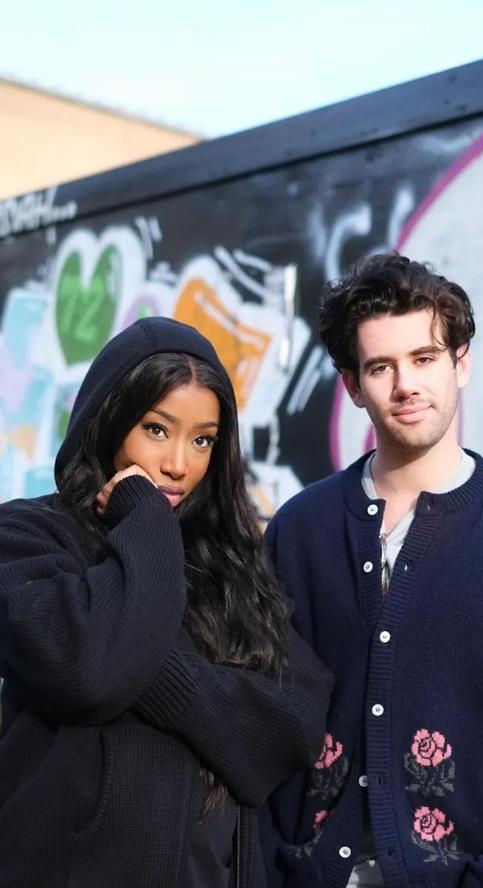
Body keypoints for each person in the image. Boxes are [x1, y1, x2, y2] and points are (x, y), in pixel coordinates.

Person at [259, 253, 483, 887]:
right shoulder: (300, 531)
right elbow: (259, 717)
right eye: (381, 367)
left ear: (459, 363)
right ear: (353, 386)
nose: (406, 385)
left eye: (424, 358)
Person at [0, 316, 332, 888]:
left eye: (203, 440)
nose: (179, 464)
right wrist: (147, 516)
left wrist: (143, 662)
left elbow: (293, 725)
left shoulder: (231, 566)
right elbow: (89, 673)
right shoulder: (28, 537)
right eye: (157, 429)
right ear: (110, 421)